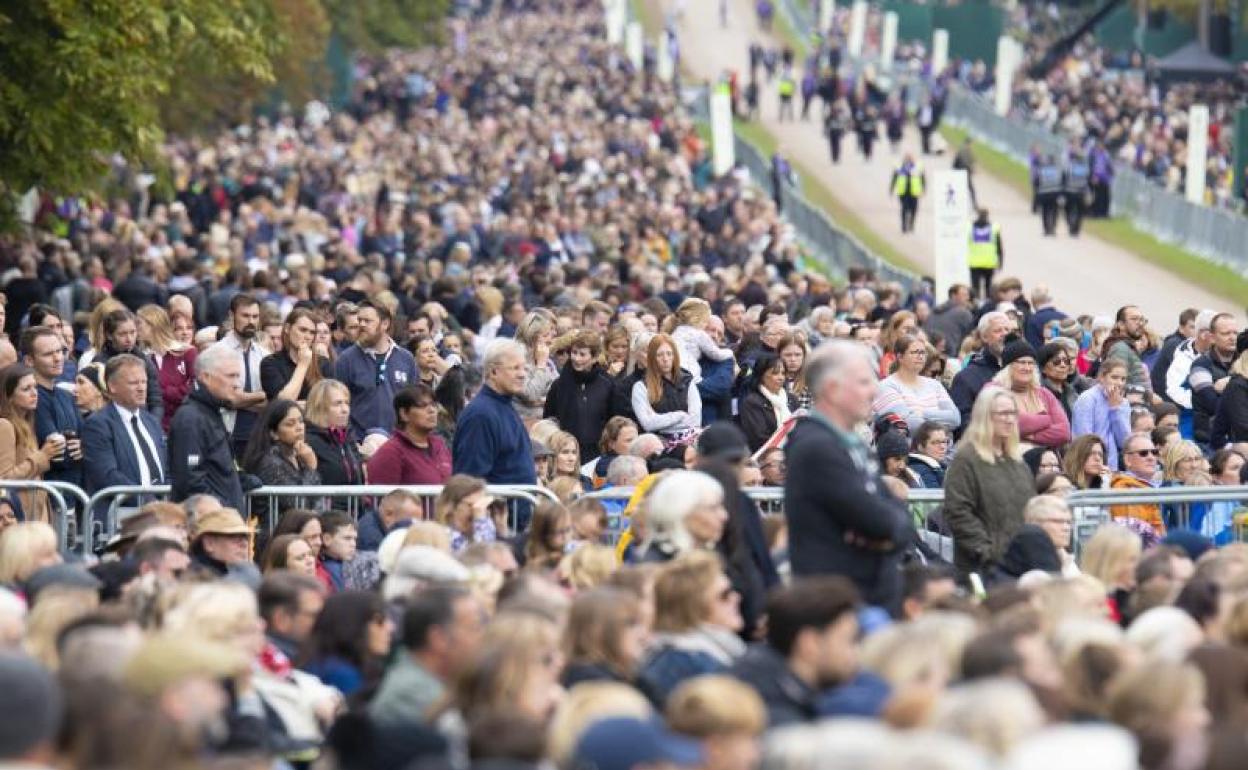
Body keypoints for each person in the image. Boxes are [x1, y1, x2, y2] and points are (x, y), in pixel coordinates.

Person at [784, 341, 913, 611]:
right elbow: (879, 520)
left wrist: (892, 525)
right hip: (840, 606)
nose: (875, 391)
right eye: (864, 382)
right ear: (832, 389)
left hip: (869, 597)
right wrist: (888, 525)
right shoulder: (816, 447)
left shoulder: (853, 444)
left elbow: (897, 522)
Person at [729, 576, 861, 726]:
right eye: (849, 641)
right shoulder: (777, 721)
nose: (855, 654)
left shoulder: (762, 680)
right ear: (811, 643)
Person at [943, 388, 1036, 579]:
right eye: (1003, 413)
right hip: (983, 569)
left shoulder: (1017, 461)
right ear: (985, 416)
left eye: (1013, 413)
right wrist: (987, 552)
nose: (1009, 419)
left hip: (1020, 563)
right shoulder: (967, 459)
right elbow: (958, 511)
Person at [636, 551, 746, 706]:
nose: (736, 598)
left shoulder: (715, 649)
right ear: (695, 607)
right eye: (724, 595)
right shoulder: (683, 662)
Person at [371, 585, 485, 726]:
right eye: (474, 627)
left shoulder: (440, 682)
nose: (483, 637)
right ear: (439, 638)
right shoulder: (412, 697)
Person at [168, 344, 245, 511]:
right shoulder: (191, 418)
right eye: (231, 376)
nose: (237, 384)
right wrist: (222, 511)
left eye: (238, 376)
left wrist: (240, 481)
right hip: (206, 526)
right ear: (205, 377)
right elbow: (190, 481)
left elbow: (217, 470)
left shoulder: (210, 412)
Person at [453, 339, 537, 487]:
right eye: (515, 368)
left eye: (524, 368)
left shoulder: (505, 406)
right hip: (499, 509)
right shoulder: (480, 415)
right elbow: (470, 480)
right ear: (493, 371)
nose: (522, 374)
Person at [80, 354, 168, 495]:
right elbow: (106, 476)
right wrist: (145, 500)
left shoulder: (151, 422)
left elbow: (167, 466)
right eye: (133, 383)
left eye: (144, 382)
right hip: (122, 510)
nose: (141, 388)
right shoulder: (98, 425)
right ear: (112, 386)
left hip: (159, 509)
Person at [335, 299, 418, 440]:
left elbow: (415, 403)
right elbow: (337, 407)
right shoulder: (346, 359)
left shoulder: (406, 358)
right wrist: (352, 442)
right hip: (360, 446)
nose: (361, 325)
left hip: (399, 444)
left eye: (367, 321)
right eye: (359, 320)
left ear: (385, 324)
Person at [298, 590, 392, 698]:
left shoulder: (320, 661)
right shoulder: (341, 675)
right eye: (379, 621)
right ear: (353, 625)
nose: (390, 628)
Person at [21, 326, 82, 489]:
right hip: (49, 495)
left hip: (75, 495)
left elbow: (88, 440)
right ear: (29, 361)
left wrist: (84, 447)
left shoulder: (66, 395)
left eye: (60, 351)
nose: (58, 358)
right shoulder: (32, 399)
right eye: (48, 354)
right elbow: (59, 456)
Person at [208, 294, 268, 456]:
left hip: (258, 438)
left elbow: (272, 402)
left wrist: (240, 399)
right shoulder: (216, 353)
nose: (251, 321)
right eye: (245, 316)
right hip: (226, 435)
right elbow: (227, 400)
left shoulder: (264, 355)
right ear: (232, 316)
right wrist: (261, 396)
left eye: (255, 316)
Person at [0, 365, 61, 523]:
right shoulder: (5, 425)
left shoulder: (26, 424)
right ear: (9, 395)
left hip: (34, 517)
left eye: (35, 387)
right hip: (16, 519)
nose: (34, 393)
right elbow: (4, 478)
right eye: (26, 389)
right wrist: (42, 456)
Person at [544, 330, 614, 464]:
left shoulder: (607, 384)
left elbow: (613, 419)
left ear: (594, 358)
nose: (576, 358)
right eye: (574, 353)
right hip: (566, 452)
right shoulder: (559, 385)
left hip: (597, 453)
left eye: (582, 354)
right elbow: (550, 418)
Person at [992, 336, 1070, 450]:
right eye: (1022, 363)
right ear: (1008, 366)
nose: (1027, 368)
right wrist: (1047, 420)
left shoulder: (1043, 393)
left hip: (1045, 460)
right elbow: (1016, 422)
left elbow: (1064, 432)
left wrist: (1029, 435)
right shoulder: (994, 390)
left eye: (1031, 363)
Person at [367, 384, 452, 485]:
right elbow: (383, 497)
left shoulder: (440, 446)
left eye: (433, 405)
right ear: (404, 414)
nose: (432, 411)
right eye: (422, 406)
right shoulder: (391, 453)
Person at [871, 334, 959, 433]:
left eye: (923, 353)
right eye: (915, 352)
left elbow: (955, 418)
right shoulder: (887, 386)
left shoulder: (935, 385)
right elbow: (910, 423)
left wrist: (922, 413)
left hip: (943, 446)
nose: (920, 356)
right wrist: (941, 418)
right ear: (900, 357)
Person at [639, 470, 727, 563]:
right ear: (681, 512)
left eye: (721, 506)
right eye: (712, 508)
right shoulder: (656, 571)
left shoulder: (705, 560)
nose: (724, 516)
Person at [631, 334, 701, 444]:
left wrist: (660, 421)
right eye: (659, 355)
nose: (665, 359)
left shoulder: (687, 381)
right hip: (659, 445)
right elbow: (648, 424)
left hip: (689, 441)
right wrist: (680, 415)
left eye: (669, 354)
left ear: (675, 356)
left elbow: (695, 420)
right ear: (652, 358)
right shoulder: (640, 387)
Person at [136, 304, 196, 432]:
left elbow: (194, 389)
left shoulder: (187, 352)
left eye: (139, 324)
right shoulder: (142, 357)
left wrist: (162, 391)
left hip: (185, 425)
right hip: (156, 426)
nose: (136, 329)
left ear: (153, 325)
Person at [241, 399, 321, 492]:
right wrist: (311, 468)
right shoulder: (269, 463)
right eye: (290, 424)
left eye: (301, 421)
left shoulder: (301, 455)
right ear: (274, 433)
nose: (299, 427)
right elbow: (295, 501)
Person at [303, 379, 365, 495]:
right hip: (326, 510)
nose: (345, 410)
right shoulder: (308, 441)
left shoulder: (347, 439)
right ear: (319, 407)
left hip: (353, 509)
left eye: (347, 403)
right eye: (338, 404)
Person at [950, 311, 1010, 430]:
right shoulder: (966, 377)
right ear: (984, 337)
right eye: (998, 330)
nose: (1005, 334)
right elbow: (964, 423)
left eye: (1007, 330)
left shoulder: (1024, 369)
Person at [260, 307, 333, 404]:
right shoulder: (270, 363)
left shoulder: (323, 363)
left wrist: (298, 404)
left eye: (312, 332)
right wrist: (303, 364)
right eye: (303, 330)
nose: (307, 336)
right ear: (287, 328)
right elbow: (283, 402)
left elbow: (328, 403)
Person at [1072, 358, 1133, 469]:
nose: (1119, 383)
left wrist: (1115, 409)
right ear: (1102, 377)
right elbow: (1083, 437)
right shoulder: (1088, 398)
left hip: (1112, 465)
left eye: (1123, 379)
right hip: (1088, 462)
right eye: (1114, 377)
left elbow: (1124, 441)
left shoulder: (1123, 403)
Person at [737, 351, 797, 453]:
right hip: (766, 456)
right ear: (761, 375)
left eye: (783, 373)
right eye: (775, 373)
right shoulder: (752, 402)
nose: (781, 377)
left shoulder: (791, 399)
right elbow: (759, 438)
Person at [1108, 432, 1165, 535]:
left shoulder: (1154, 486)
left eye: (1154, 452)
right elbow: (1133, 535)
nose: (1151, 457)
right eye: (1143, 453)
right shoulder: (1123, 490)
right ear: (1127, 460)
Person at [966, 209, 1003, 300]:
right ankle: (987, 305)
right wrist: (1000, 261)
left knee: (975, 288)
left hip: (975, 262)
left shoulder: (969, 227)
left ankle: (976, 305)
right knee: (988, 288)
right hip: (989, 262)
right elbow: (999, 247)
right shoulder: (994, 228)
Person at [890, 153, 924, 234]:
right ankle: (904, 226)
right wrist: (891, 189)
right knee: (904, 208)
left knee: (914, 209)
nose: (908, 160)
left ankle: (911, 224)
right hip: (903, 192)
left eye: (910, 158)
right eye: (907, 158)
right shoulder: (899, 167)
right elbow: (894, 178)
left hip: (914, 192)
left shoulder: (917, 168)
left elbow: (923, 179)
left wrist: (923, 189)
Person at [1063, 150, 1091, 236]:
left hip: (1070, 191)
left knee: (1067, 208)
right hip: (1081, 192)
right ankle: (1076, 229)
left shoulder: (1069, 165)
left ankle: (1069, 222)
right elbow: (1088, 179)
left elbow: (1065, 177)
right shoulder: (1086, 167)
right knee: (1080, 211)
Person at [1034, 154, 1063, 236]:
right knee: (1055, 211)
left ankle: (1046, 229)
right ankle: (1053, 228)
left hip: (1044, 193)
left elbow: (1036, 182)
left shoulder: (1041, 170)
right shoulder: (1058, 170)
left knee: (1044, 212)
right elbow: (1062, 182)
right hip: (1055, 194)